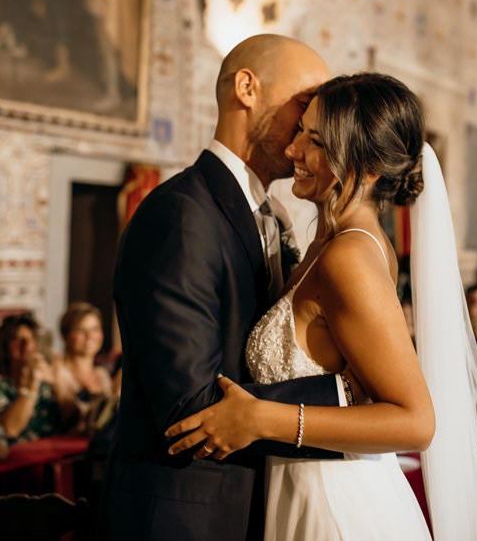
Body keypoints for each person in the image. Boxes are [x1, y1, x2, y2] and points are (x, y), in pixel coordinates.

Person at [166, 73, 477, 539]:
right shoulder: (331, 243)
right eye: (300, 133)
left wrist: (261, 418)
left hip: (335, 508)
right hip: (300, 491)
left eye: (317, 142)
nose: (294, 152)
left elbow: (415, 421)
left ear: (368, 169)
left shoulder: (349, 256)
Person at [101, 35, 351, 541]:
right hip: (185, 515)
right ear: (246, 88)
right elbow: (190, 410)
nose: (315, 125)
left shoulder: (273, 215)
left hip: (256, 503)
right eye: (305, 102)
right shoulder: (181, 214)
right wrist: (349, 404)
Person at [0, 313, 63, 444]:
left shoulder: (48, 379)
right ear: (5, 345)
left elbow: (73, 421)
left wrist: (57, 383)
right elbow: (10, 430)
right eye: (18, 340)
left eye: (31, 339)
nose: (27, 345)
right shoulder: (3, 386)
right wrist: (31, 386)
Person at [53, 302, 114, 434]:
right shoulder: (58, 371)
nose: (90, 336)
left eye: (95, 329)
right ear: (65, 336)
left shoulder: (102, 374)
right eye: (80, 330)